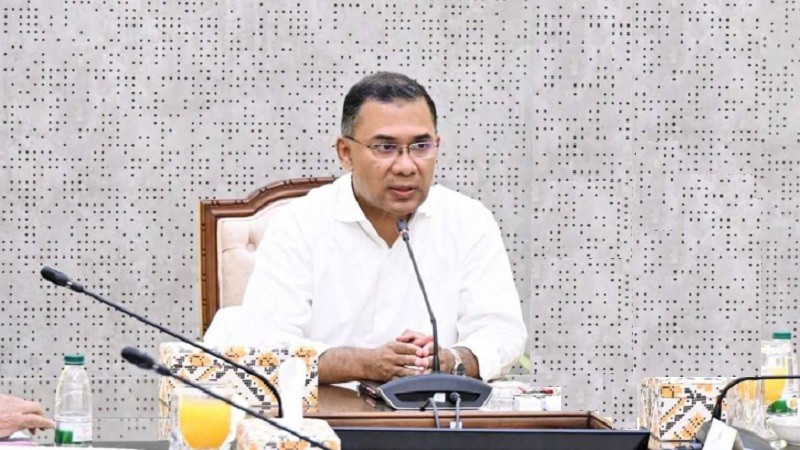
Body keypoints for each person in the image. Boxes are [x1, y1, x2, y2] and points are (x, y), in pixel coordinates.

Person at [227, 71, 527, 383]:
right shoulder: (299, 224)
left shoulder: (469, 221)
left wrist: (452, 360)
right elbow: (265, 347)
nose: (406, 166)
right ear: (346, 153)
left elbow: (502, 332)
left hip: (433, 409)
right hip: (328, 410)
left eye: (421, 146)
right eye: (385, 147)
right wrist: (362, 364)